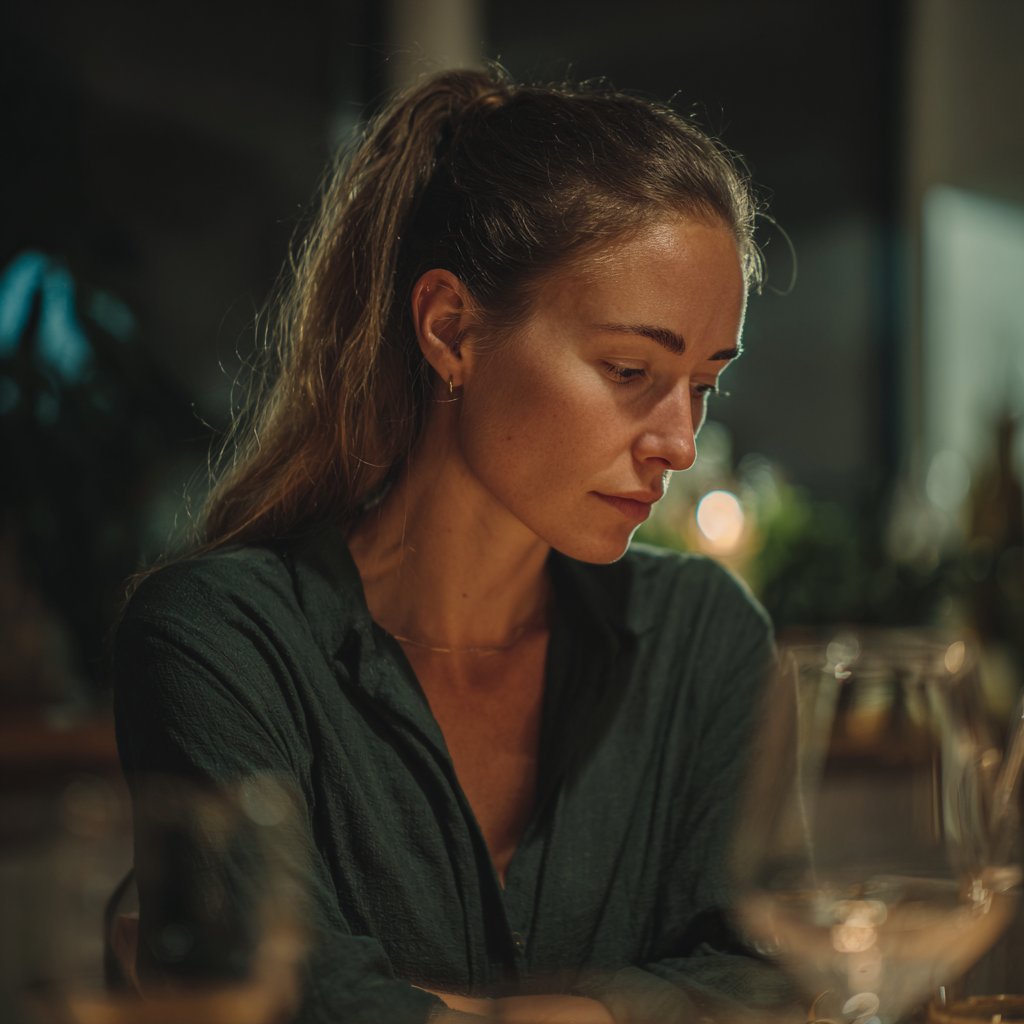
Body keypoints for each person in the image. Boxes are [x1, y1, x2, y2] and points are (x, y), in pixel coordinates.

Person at [113, 67, 798, 1023]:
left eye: (704, 384)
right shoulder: (220, 642)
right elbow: (295, 1001)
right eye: (630, 369)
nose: (679, 442)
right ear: (450, 329)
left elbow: (773, 978)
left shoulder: (703, 636)